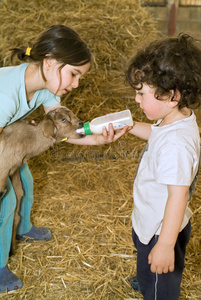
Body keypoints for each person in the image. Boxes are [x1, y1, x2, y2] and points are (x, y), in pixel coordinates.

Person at [0, 24, 128, 293]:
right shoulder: (7, 94)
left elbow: (62, 128)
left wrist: (97, 138)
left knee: (26, 183)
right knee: (8, 198)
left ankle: (22, 227)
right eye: (73, 73)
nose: (76, 83)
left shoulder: (46, 89)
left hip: (9, 143)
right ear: (49, 63)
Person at [124, 34, 201, 300]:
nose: (136, 100)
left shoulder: (177, 145)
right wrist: (131, 126)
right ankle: (147, 277)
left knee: (160, 288)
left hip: (161, 231)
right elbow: (158, 135)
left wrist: (166, 246)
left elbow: (178, 195)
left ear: (171, 95)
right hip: (152, 222)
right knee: (147, 264)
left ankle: (154, 287)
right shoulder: (175, 119)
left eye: (141, 93)